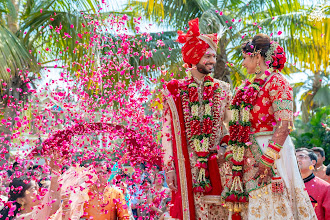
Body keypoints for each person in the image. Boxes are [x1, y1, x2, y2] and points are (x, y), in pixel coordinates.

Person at [222, 33, 316, 219]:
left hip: (272, 151)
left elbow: (285, 125)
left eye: (245, 58)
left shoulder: (277, 81)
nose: (242, 63)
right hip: (249, 153)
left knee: (274, 203)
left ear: (257, 57)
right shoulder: (245, 87)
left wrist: (268, 159)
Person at [162, 18, 231, 219]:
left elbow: (231, 125)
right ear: (194, 57)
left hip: (217, 162)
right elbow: (167, 132)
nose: (212, 61)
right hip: (187, 164)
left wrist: (225, 150)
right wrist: (169, 168)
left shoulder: (223, 89)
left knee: (219, 213)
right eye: (207, 56)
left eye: (213, 57)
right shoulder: (175, 91)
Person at [0, 156, 61, 220]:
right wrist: (55, 175)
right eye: (34, 189)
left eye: (38, 188)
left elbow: (54, 207)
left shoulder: (36, 213)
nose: (39, 192)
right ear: (21, 200)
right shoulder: (21, 218)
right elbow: (53, 207)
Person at [296, 148, 330, 220]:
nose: (297, 160)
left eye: (301, 157)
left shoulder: (325, 187)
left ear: (313, 162)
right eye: (294, 157)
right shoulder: (286, 186)